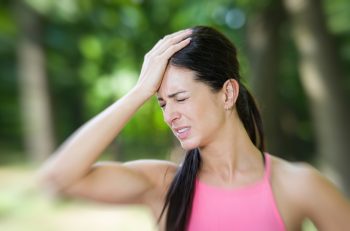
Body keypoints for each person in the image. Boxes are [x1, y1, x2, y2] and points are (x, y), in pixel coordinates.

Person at [38, 26, 350, 231]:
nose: (169, 115)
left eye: (180, 98)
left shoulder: (298, 185)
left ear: (227, 93)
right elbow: (58, 178)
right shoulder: (164, 186)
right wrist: (138, 93)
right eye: (162, 104)